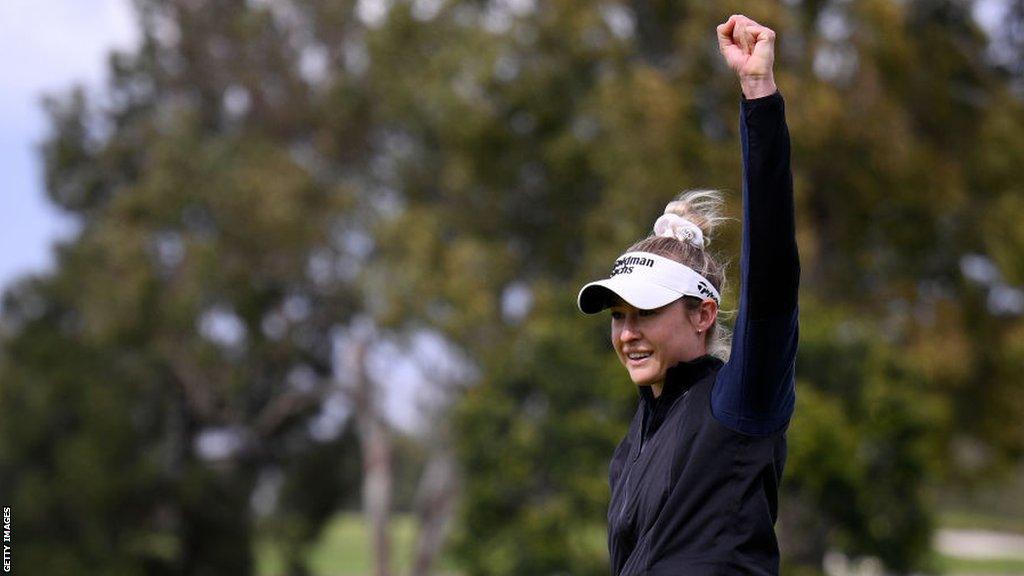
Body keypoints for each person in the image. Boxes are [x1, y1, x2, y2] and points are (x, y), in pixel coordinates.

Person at [576, 15, 799, 576]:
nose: (627, 333)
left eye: (646, 313)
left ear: (703, 314)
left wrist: (758, 95)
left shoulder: (739, 402)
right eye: (618, 316)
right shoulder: (632, 446)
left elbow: (773, 273)